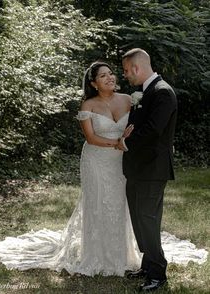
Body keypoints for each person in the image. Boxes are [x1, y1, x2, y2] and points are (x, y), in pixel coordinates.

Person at [0, 60, 208, 278]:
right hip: (97, 160)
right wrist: (120, 142)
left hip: (123, 161)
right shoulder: (88, 105)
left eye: (112, 73)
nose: (111, 77)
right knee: (98, 203)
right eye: (104, 76)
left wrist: (151, 143)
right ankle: (97, 255)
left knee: (122, 205)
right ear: (94, 83)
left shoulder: (130, 99)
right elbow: (91, 138)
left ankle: (124, 256)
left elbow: (144, 127)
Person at [117, 48, 177, 291]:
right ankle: (147, 264)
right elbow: (135, 125)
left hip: (153, 169)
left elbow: (153, 130)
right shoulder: (144, 92)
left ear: (136, 68)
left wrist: (125, 142)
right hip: (137, 168)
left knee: (148, 220)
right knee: (138, 218)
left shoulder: (163, 93)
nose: (125, 76)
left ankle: (158, 273)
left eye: (125, 71)